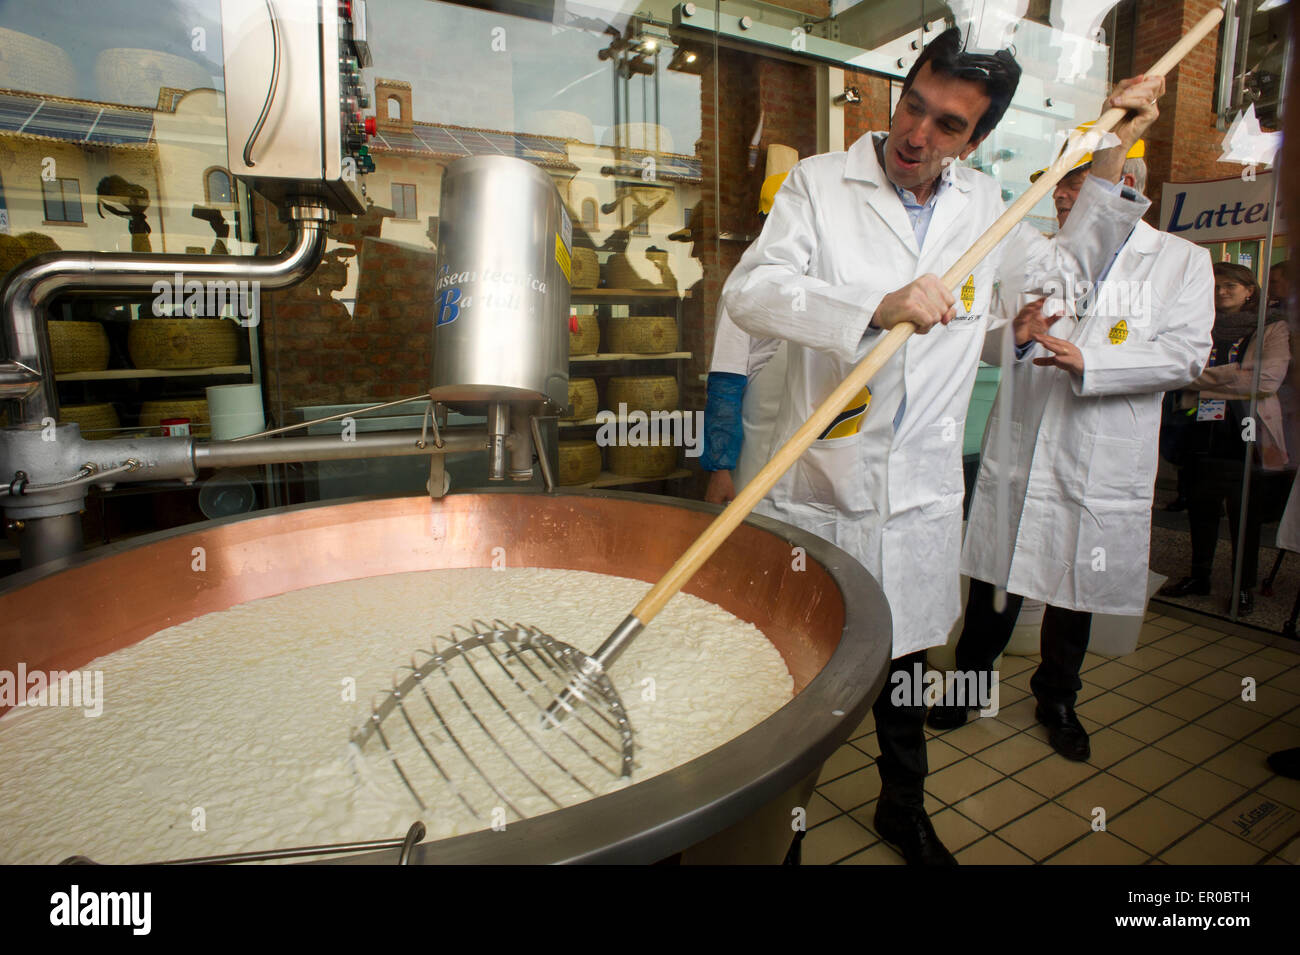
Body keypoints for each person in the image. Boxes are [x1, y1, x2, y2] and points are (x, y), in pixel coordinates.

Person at [720, 26, 1161, 865]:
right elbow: (755, 291)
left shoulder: (985, 207)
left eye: (949, 125)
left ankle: (902, 806)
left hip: (918, 495)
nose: (918, 136)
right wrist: (875, 304)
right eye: (913, 106)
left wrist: (1108, 154)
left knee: (908, 665)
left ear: (979, 138)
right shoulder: (820, 184)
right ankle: (776, 833)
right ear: (900, 88)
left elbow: (1061, 278)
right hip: (819, 485)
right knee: (797, 676)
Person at [927, 148, 1215, 761]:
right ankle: (970, 682)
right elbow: (985, 342)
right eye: (1059, 188)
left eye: (1078, 188)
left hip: (1101, 449)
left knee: (1075, 582)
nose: (1063, 200)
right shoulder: (1034, 254)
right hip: (1024, 440)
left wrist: (1094, 361)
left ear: (1126, 187)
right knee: (993, 579)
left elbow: (1188, 356)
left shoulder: (1181, 261)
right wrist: (1018, 337)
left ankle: (1057, 698)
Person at [1160, 261, 1292, 615]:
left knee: (1243, 516)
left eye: (1231, 285)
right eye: (1216, 285)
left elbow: (1264, 381)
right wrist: (1232, 375)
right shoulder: (1199, 323)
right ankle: (1198, 576)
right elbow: (1176, 369)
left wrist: (1201, 378)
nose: (1221, 292)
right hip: (1198, 431)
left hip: (1246, 433)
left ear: (1250, 290)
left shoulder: (1272, 328)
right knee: (1200, 509)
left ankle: (1242, 586)